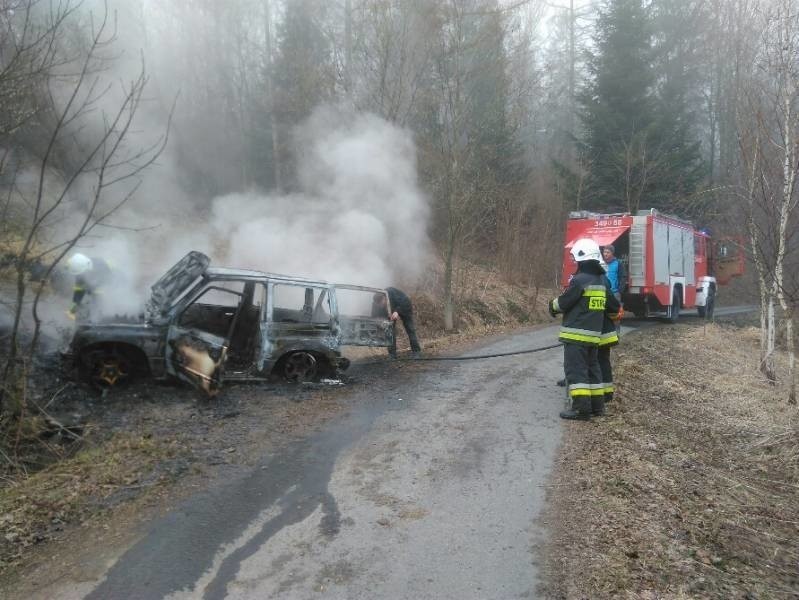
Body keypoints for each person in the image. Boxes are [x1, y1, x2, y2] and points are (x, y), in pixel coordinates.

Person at [549, 239, 620, 420]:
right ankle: (597, 407)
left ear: (582, 258)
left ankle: (581, 409)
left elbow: (564, 303)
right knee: (593, 369)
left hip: (576, 336)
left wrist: (552, 306)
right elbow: (612, 306)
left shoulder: (580, 281)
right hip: (594, 337)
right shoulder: (601, 281)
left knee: (577, 371)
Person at [372, 287, 422, 358]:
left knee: (410, 329)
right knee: (390, 331)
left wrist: (397, 311)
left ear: (384, 298)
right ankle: (392, 354)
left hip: (404, 308)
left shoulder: (392, 293)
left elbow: (405, 302)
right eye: (379, 305)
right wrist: (379, 323)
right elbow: (374, 316)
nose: (381, 306)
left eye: (382, 303)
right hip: (390, 312)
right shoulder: (376, 304)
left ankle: (416, 351)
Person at [65, 253, 112, 320]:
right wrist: (72, 310)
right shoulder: (80, 268)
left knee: (98, 307)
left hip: (115, 283)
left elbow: (99, 294)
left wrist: (95, 315)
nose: (79, 276)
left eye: (80, 274)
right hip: (98, 285)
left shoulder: (101, 268)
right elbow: (78, 290)